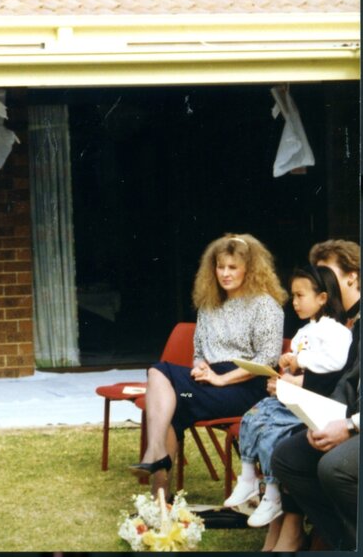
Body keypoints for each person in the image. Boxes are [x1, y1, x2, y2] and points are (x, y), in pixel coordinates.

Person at [129, 234, 286, 497]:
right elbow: (199, 352)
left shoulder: (265, 305)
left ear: (249, 269)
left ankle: (155, 460)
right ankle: (160, 498)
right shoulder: (209, 304)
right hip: (210, 382)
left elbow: (267, 358)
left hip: (246, 386)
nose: (225, 273)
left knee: (161, 373)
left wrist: (222, 379)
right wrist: (200, 367)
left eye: (232, 267)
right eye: (220, 266)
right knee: (169, 399)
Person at [223, 265, 351, 527]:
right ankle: (247, 476)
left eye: (300, 295)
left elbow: (335, 362)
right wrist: (286, 366)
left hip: (313, 402)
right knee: (253, 415)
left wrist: (299, 361)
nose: (294, 302)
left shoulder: (336, 331)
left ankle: (272, 493)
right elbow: (297, 365)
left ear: (322, 298)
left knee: (272, 432)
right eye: (293, 295)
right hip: (289, 396)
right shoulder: (304, 332)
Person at [267, 239, 360, 552]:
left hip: (355, 424)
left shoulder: (344, 325)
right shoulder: (333, 322)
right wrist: (325, 416)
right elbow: (349, 381)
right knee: (287, 457)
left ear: (353, 276)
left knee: (332, 466)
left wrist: (349, 425)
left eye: (327, 273)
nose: (321, 281)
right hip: (342, 414)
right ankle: (341, 540)